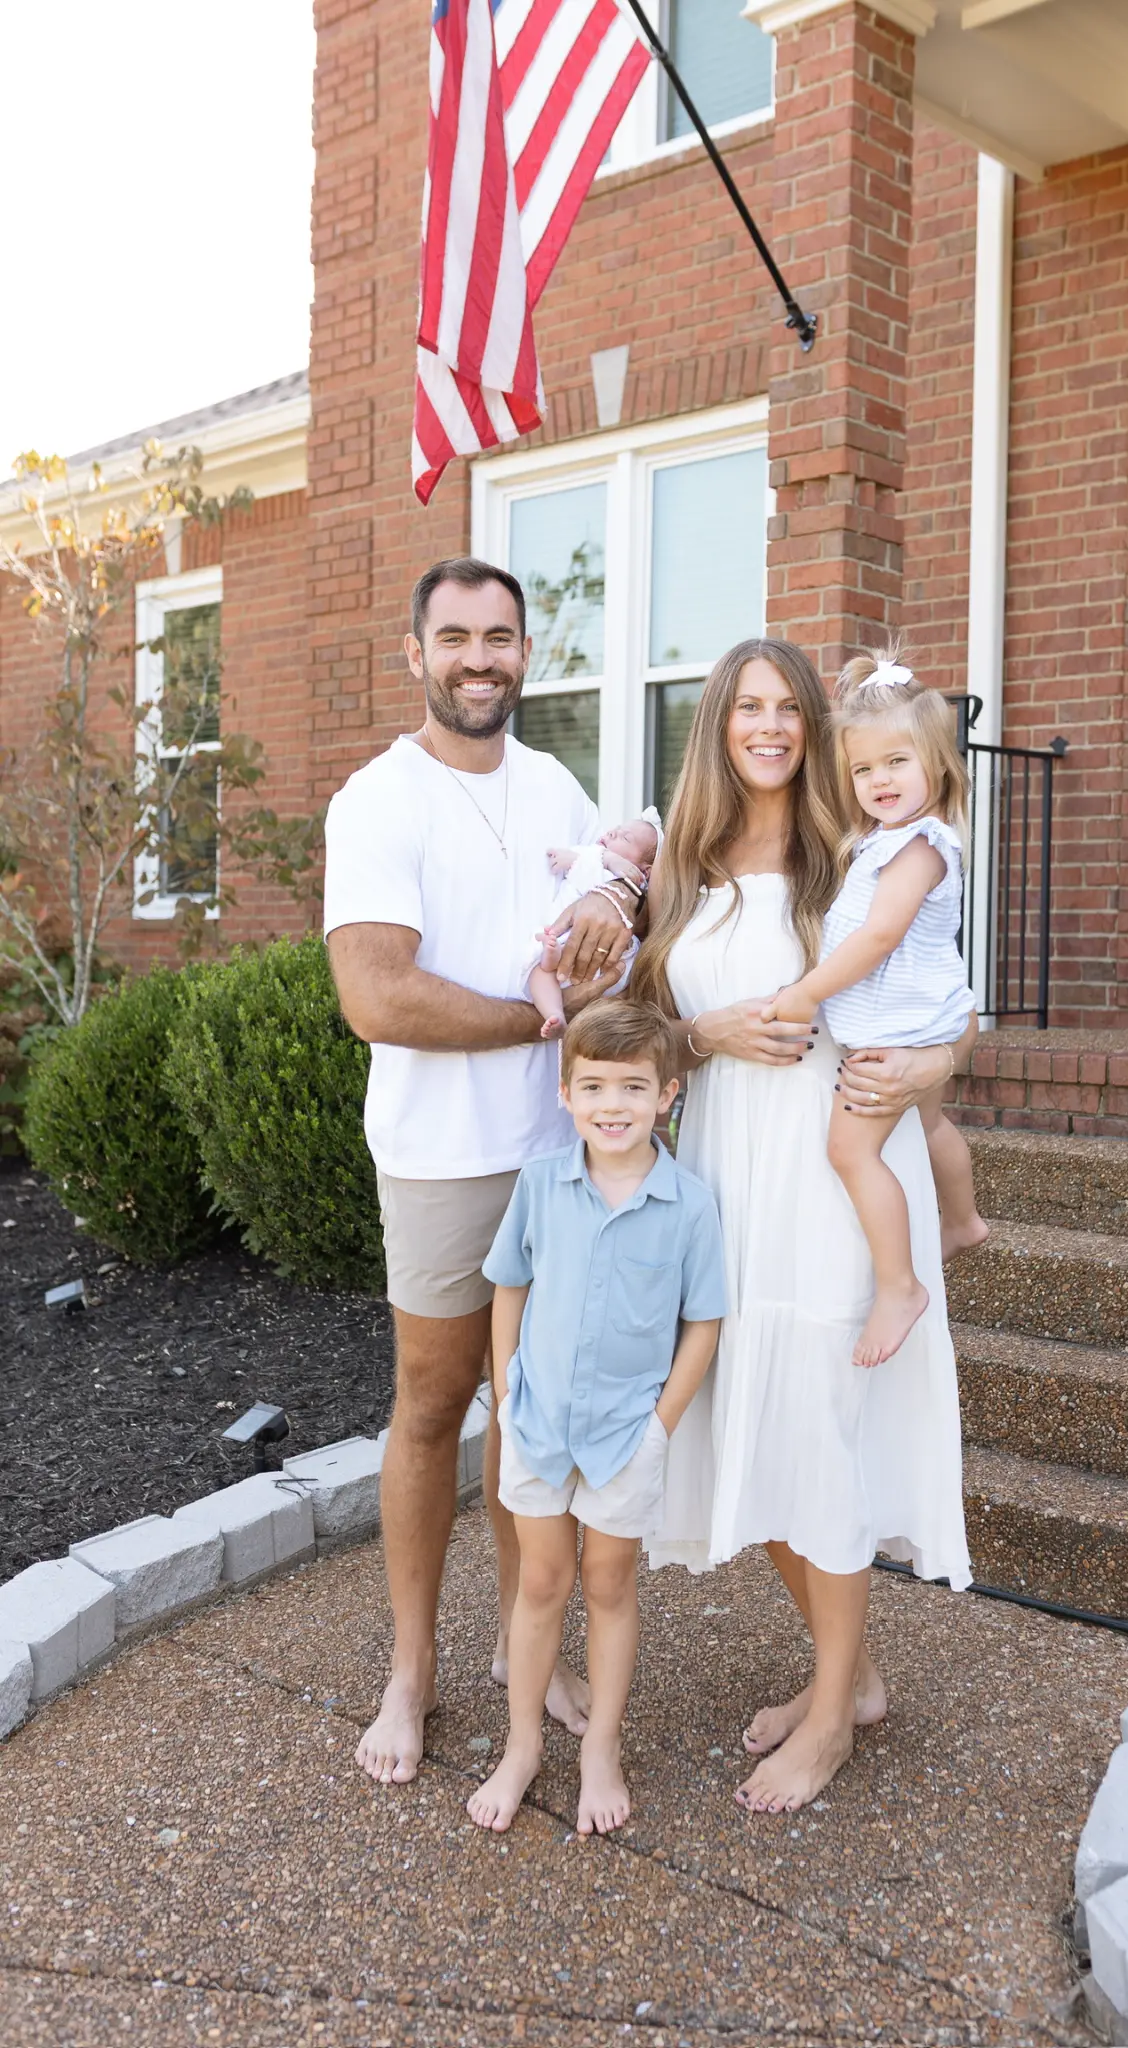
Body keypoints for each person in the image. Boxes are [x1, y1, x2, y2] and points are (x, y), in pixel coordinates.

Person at [631, 636, 976, 1815]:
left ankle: (830, 1716)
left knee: (820, 1428)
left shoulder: (858, 846)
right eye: (748, 707)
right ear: (719, 725)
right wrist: (704, 1034)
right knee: (753, 1426)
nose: (770, 726)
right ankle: (857, 1674)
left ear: (816, 724)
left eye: (790, 707)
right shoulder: (683, 860)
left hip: (836, 1172)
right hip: (729, 1174)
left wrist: (934, 1055)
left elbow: (941, 996)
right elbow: (633, 1036)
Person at [324, 557, 641, 1787]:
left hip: (564, 1156)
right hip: (448, 1157)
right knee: (431, 1402)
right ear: (415, 652)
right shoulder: (377, 800)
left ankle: (529, 1654)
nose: (479, 656)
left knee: (536, 1416)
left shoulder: (558, 782)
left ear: (525, 652)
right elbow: (375, 991)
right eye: (453, 635)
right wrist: (541, 1024)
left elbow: (610, 918)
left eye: (500, 635)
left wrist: (621, 918)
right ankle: (412, 1669)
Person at [469, 999, 724, 1836]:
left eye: (632, 1086)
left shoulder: (687, 1205)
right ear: (565, 1094)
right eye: (594, 1086)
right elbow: (509, 1284)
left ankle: (601, 1747)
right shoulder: (541, 1185)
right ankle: (521, 1746)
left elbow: (704, 1323)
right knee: (541, 1581)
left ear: (667, 1096)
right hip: (538, 1424)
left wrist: (661, 1425)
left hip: (626, 1437)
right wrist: (506, 1392)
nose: (612, 1104)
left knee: (609, 1584)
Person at [770, 652, 987, 1367]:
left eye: (896, 762)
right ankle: (962, 1222)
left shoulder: (921, 846)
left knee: (848, 1150)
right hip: (922, 1015)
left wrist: (805, 993)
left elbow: (881, 934)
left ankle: (897, 1285)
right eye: (864, 771)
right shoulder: (882, 841)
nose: (879, 781)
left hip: (895, 1030)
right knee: (928, 1123)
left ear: (936, 764)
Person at [525, 808, 663, 1038]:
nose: (612, 834)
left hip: (600, 952)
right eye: (616, 830)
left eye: (625, 837)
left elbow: (587, 867)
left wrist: (580, 860)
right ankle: (555, 1014)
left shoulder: (621, 877)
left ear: (646, 870)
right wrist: (609, 858)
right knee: (538, 969)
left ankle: (554, 984)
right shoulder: (603, 861)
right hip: (578, 949)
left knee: (540, 967)